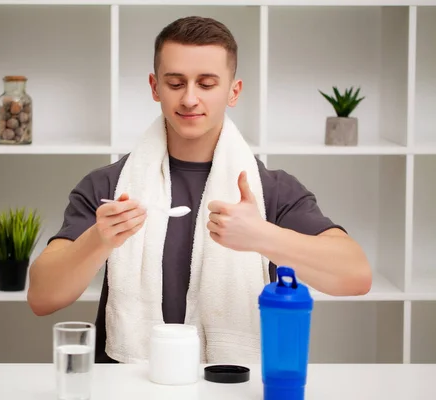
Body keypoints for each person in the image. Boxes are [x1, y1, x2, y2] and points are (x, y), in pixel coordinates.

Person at [27, 16, 372, 364]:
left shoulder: (271, 189)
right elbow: (42, 298)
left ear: (233, 91)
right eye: (175, 83)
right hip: (127, 384)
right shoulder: (109, 186)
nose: (190, 98)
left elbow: (355, 276)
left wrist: (262, 236)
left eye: (206, 84)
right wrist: (98, 239)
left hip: (231, 384)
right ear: (155, 87)